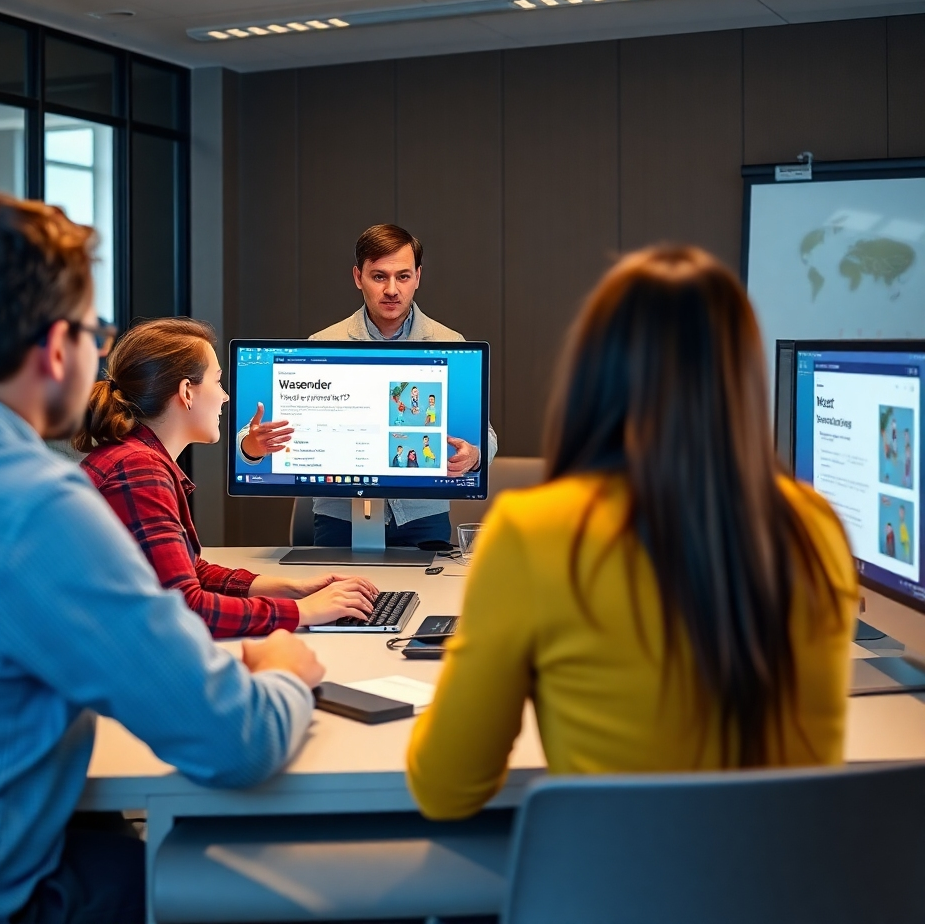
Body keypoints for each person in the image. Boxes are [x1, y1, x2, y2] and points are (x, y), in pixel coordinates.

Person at [0, 195, 324, 924]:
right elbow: (234, 741)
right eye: (97, 331)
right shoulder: (38, 510)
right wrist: (286, 673)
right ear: (56, 348)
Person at [407, 245, 857, 820]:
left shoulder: (533, 533)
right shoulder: (815, 526)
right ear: (740, 371)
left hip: (612, 893)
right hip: (794, 896)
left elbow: (447, 791)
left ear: (595, 369)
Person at [74, 318, 378, 635]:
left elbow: (187, 571)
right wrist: (302, 612)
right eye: (217, 382)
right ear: (186, 392)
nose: (225, 397)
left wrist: (292, 588)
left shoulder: (133, 458)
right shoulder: (138, 470)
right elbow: (188, 608)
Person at [238, 224, 498, 547]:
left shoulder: (450, 345)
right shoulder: (321, 345)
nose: (392, 289)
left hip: (422, 520)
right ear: (358, 277)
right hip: (339, 521)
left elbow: (486, 437)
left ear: (418, 277)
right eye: (379, 276)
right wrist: (252, 445)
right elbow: (250, 440)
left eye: (402, 276)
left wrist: (473, 455)